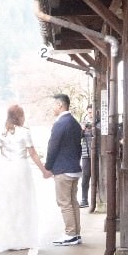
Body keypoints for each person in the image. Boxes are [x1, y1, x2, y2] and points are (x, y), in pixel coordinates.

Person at [0, 104, 48, 251]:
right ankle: (21, 239)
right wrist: (44, 171)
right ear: (20, 117)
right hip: (20, 169)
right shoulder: (24, 132)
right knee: (22, 203)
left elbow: (1, 151)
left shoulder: (2, 132)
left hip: (4, 170)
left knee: (5, 204)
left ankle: (5, 240)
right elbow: (33, 153)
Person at [45, 94, 84, 246]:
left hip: (63, 169)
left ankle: (70, 233)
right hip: (74, 167)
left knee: (64, 203)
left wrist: (48, 167)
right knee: (73, 202)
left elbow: (52, 146)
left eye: (54, 105)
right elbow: (78, 146)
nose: (53, 108)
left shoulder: (60, 123)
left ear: (60, 105)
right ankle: (76, 232)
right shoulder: (74, 122)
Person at [79, 105, 94, 207]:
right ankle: (84, 199)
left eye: (91, 112)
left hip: (97, 154)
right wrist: (82, 129)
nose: (90, 114)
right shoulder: (83, 122)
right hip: (85, 154)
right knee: (85, 176)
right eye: (89, 112)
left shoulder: (100, 122)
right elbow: (78, 137)